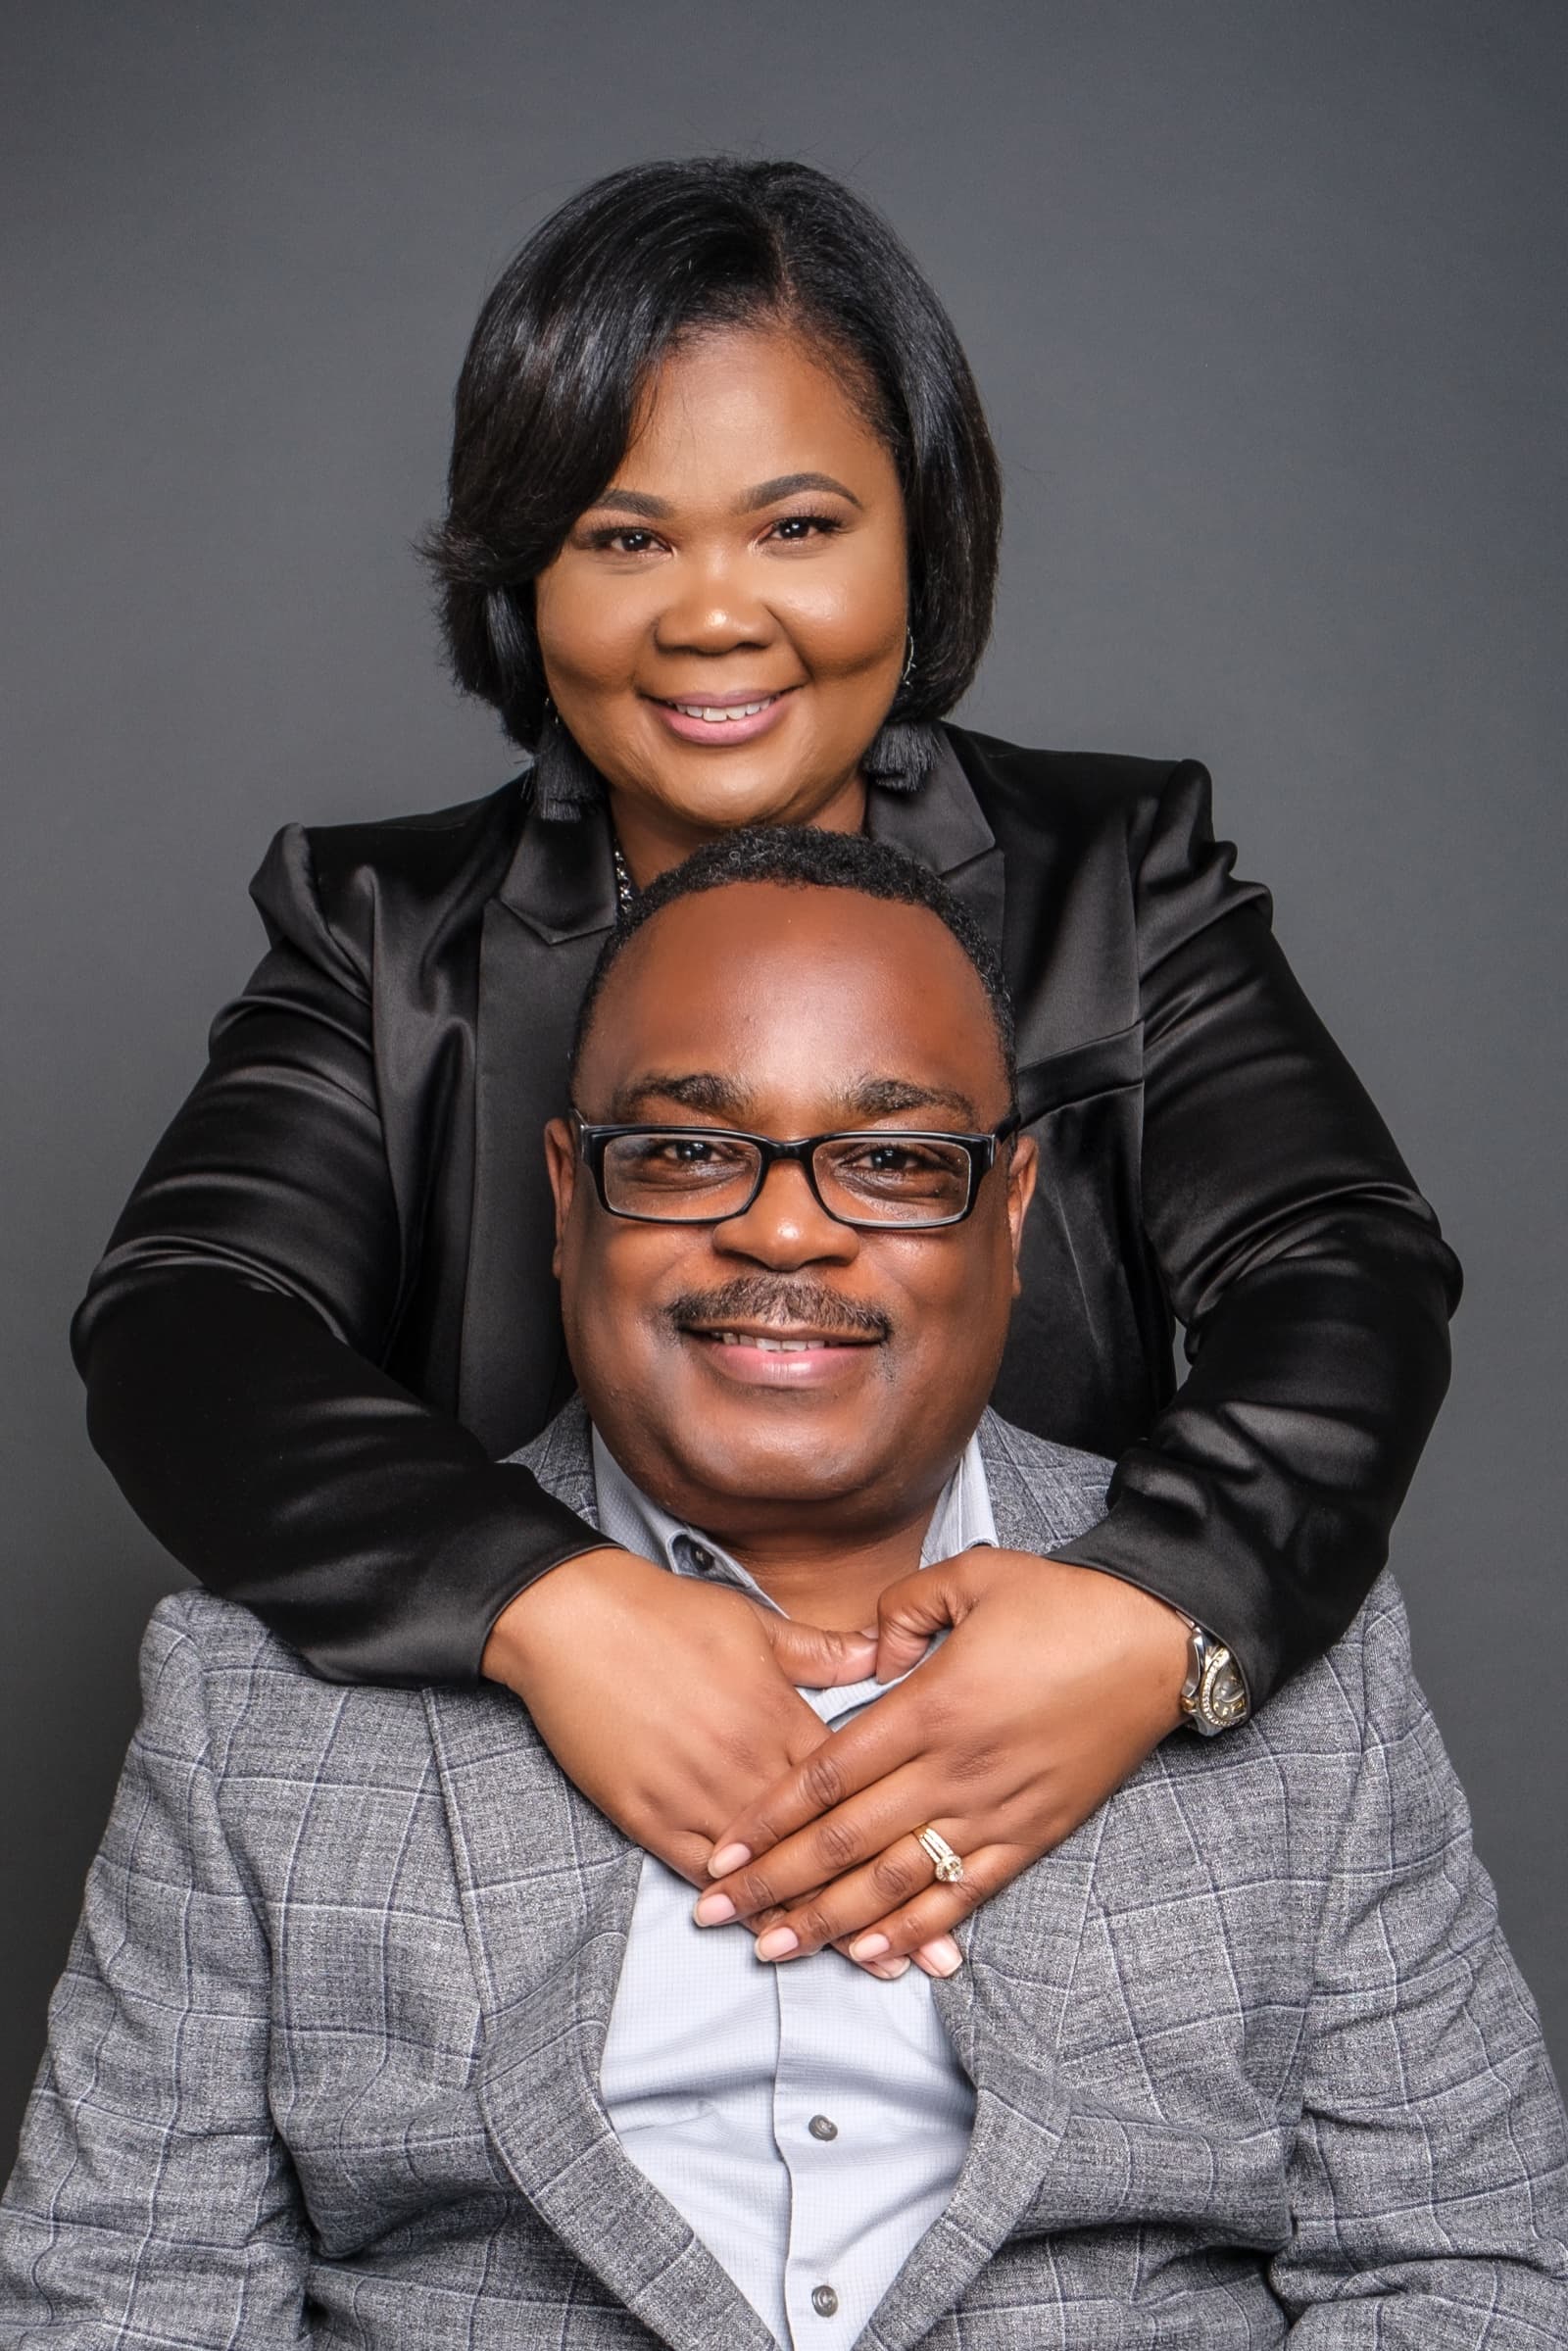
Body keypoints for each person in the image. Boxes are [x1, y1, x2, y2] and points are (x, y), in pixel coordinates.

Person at [71, 155, 1463, 1967]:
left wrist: (1151, 1610)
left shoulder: (1112, 886)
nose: (712, 615)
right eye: (623, 537)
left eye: (797, 528)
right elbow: (186, 1319)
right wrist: (548, 1607)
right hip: (504, 1858)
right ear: (523, 571)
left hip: (1050, 1837)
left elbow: (1343, 1265)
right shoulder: (386, 933)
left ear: (920, 541)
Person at [8, 832, 1561, 2349]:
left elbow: (1465, 2272)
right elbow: (127, 2302)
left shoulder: (1284, 1663)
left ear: (1013, 1209)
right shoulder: (253, 1699)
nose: (787, 1226)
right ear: (568, 1195)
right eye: (688, 1150)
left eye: (893, 1160)